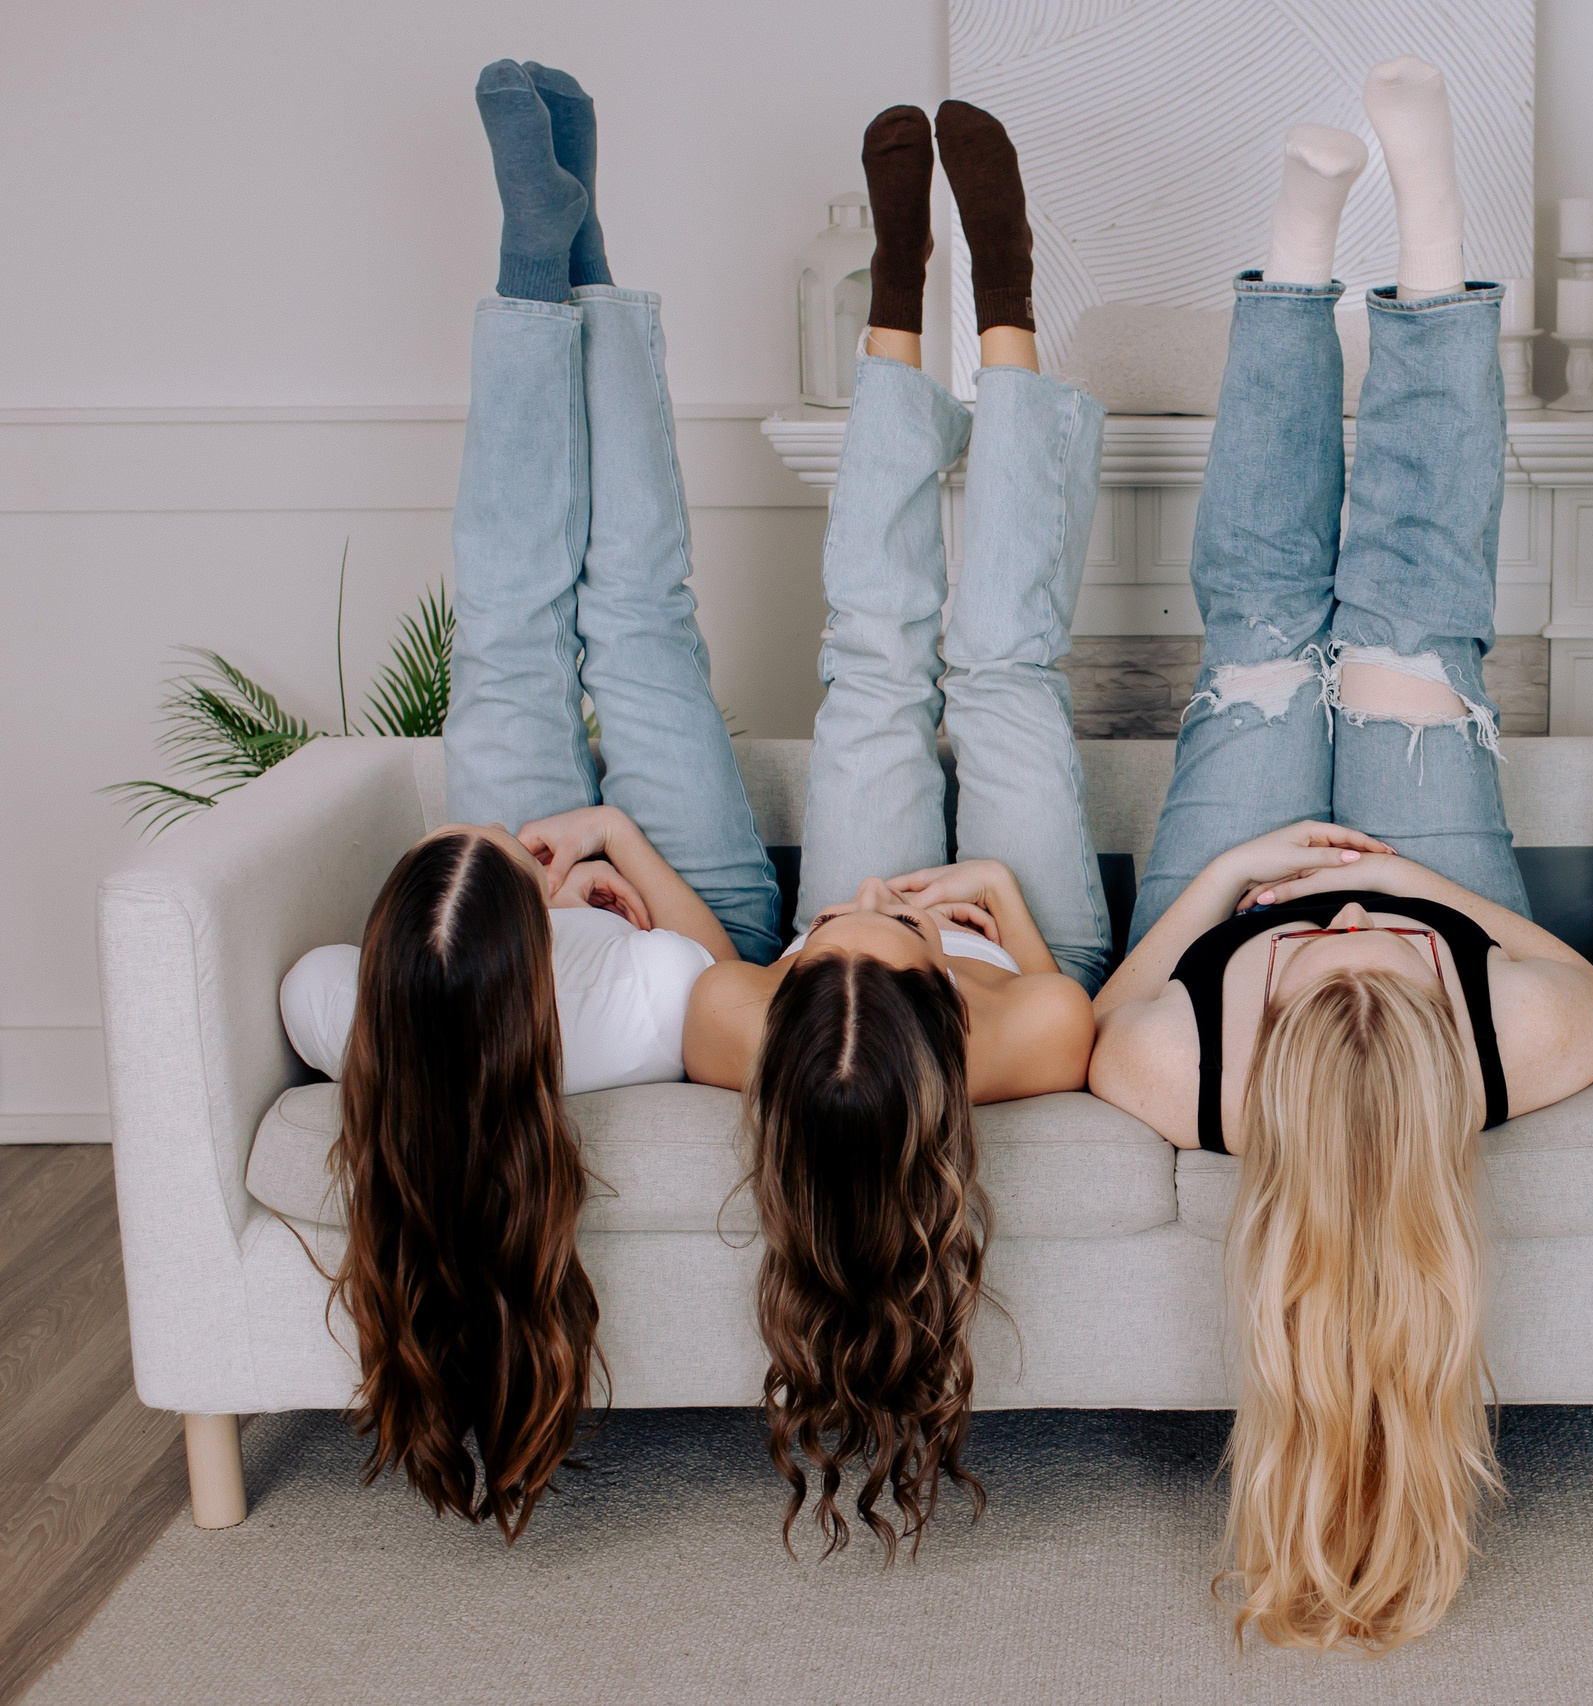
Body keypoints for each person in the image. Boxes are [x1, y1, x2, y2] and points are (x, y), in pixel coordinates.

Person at [1085, 61, 1593, 1651]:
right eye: (1380, 973)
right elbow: (1581, 977)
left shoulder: (1187, 1066)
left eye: (1327, 981)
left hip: (1233, 877)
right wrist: (1425, 897)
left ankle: (1301, 245)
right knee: (1412, 622)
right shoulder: (1522, 1035)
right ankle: (1432, 234)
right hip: (1433, 860)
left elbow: (1111, 1009)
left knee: (1260, 628)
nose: (1345, 937)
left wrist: (1236, 893)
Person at [276, 59, 784, 1539]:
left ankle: (537, 262)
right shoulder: (625, 1007)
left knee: (515, 622)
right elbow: (732, 976)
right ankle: (582, 262)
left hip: (519, 918)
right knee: (630, 620)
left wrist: (509, 872)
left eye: (465, 842)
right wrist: (606, 848)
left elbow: (334, 980)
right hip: (677, 893)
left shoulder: (342, 1001)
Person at [677, 100, 1108, 1561]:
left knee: (870, 658)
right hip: (1005, 928)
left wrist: (840, 925)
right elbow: (1067, 1004)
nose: (871, 910)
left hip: (888, 966)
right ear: (936, 1029)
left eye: (829, 954)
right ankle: (1010, 305)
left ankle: (896, 295)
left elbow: (714, 964)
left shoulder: (746, 1022)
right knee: (1001, 670)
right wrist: (985, 911)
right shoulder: (1010, 1038)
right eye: (884, 948)